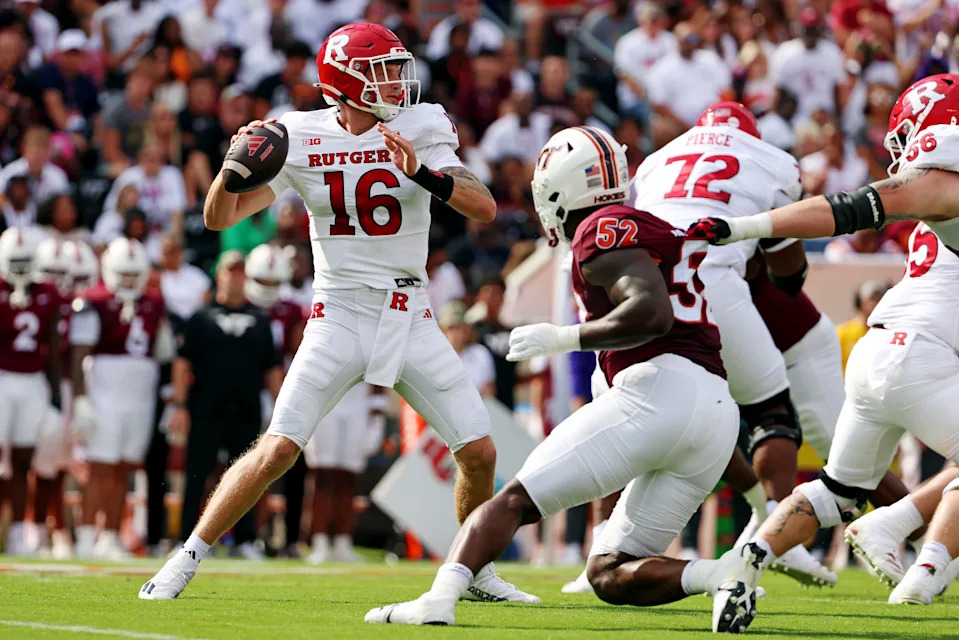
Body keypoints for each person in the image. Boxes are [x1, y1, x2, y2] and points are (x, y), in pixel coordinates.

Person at [140, 23, 534, 605]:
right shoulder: (298, 134)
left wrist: (421, 173)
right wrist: (231, 170)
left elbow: (484, 204)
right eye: (384, 70)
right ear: (346, 83)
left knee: (479, 452)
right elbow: (219, 218)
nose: (399, 81)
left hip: (411, 312)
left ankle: (473, 572)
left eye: (399, 68)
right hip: (340, 313)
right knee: (278, 448)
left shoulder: (422, 125)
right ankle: (185, 558)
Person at [366, 125, 741, 629]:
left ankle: (440, 598)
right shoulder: (651, 226)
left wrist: (563, 339)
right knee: (609, 572)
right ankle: (721, 576)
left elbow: (651, 314)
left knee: (514, 500)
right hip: (715, 410)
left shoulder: (601, 227)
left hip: (660, 389)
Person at [687, 73, 959, 624]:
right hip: (919, 357)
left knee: (835, 492)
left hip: (877, 352)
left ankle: (744, 566)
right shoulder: (944, 183)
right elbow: (852, 207)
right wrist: (747, 226)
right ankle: (899, 524)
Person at [631, 102, 831, 582]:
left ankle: (607, 546)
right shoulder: (773, 161)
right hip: (711, 281)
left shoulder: (658, 159)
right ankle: (771, 531)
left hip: (642, 288)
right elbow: (789, 271)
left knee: (631, 412)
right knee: (773, 415)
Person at [166, 250, 283, 559]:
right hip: (206, 408)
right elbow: (182, 363)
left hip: (246, 410)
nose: (235, 277)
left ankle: (245, 540)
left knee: (248, 476)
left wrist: (281, 410)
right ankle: (185, 540)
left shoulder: (259, 320)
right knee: (196, 475)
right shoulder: (200, 317)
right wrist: (179, 405)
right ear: (219, 275)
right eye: (230, 271)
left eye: (240, 272)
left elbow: (271, 368)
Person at [70, 237, 172, 559]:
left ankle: (111, 536)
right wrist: (82, 399)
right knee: (101, 468)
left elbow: (164, 352)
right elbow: (79, 355)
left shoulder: (154, 302)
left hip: (139, 394)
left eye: (133, 274)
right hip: (105, 391)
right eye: (123, 273)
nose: (128, 280)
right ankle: (86, 536)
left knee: (124, 469)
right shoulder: (93, 301)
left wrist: (168, 398)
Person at [0, 227, 61, 555]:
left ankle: (18, 532)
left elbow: (53, 348)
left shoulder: (47, 292)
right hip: (2, 378)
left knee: (24, 460)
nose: (20, 268)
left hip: (33, 381)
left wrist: (55, 398)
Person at [835, 279, 889, 372]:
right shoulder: (842, 333)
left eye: (879, 299)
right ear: (859, 302)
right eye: (872, 298)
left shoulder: (888, 334)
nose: (875, 303)